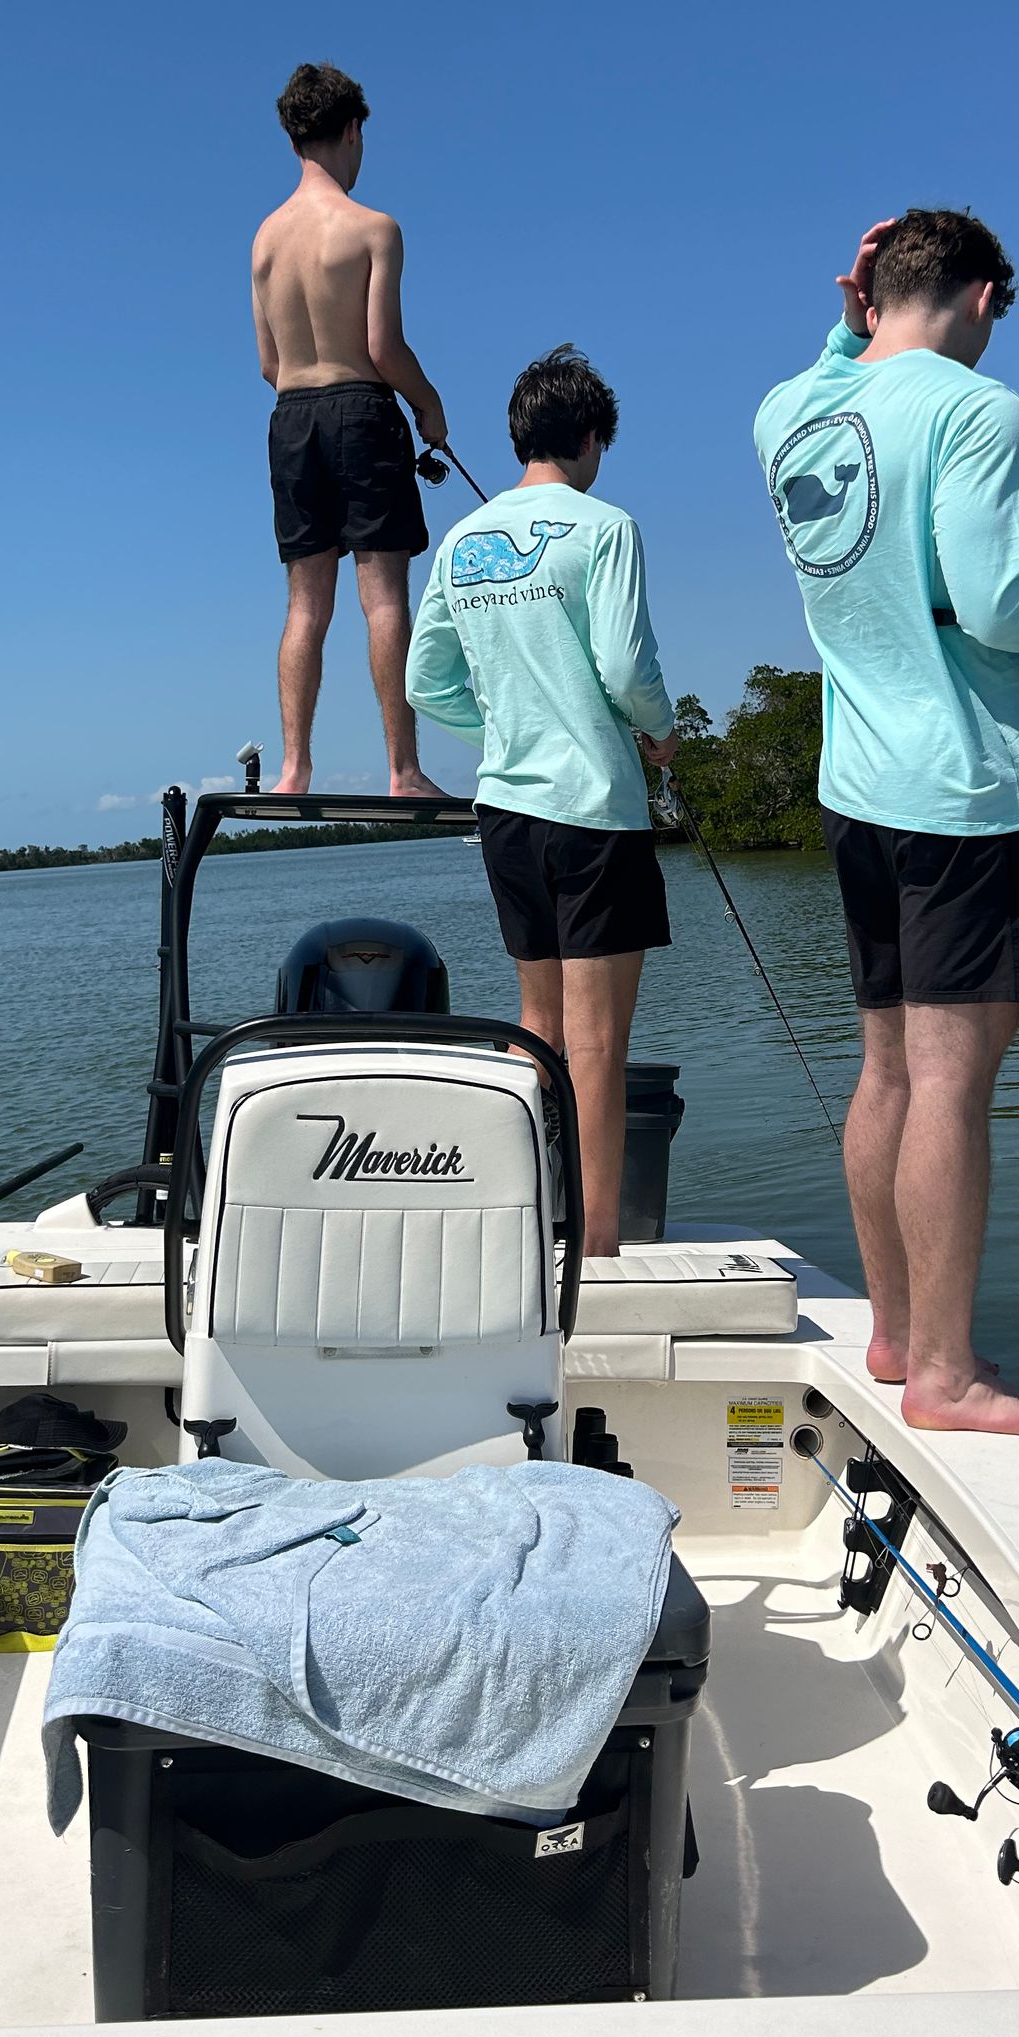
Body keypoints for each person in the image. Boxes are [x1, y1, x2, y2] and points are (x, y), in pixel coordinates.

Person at [754, 210, 1019, 1437]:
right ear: (988, 294)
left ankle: (890, 1334)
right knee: (950, 1084)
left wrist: (847, 314)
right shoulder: (979, 409)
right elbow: (999, 601)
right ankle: (947, 1373)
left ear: (872, 292)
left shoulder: (789, 414)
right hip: (965, 796)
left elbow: (833, 368)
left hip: (857, 792)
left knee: (886, 1066)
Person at [406, 347, 678, 1255]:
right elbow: (627, 669)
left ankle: (526, 1227)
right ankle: (596, 1248)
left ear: (521, 436)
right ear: (592, 438)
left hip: (507, 811)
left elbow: (424, 683)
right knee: (598, 1043)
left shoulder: (462, 542)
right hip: (595, 805)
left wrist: (503, 730)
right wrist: (661, 731)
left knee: (537, 1030)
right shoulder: (605, 527)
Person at [252, 62, 450, 798]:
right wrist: (429, 405)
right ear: (353, 129)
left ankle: (294, 769)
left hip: (292, 417)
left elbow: (268, 364)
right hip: (362, 412)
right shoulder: (373, 229)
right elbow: (382, 350)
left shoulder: (265, 241)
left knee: (305, 604)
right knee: (384, 599)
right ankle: (403, 769)